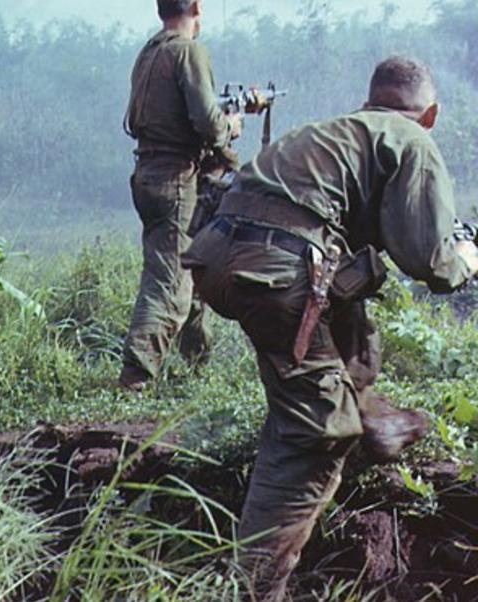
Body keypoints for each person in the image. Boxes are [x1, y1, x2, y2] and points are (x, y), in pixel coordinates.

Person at [183, 55, 478, 599]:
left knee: (348, 335)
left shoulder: (331, 133)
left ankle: (373, 416)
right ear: (430, 114)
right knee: (314, 434)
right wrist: (468, 255)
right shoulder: (413, 140)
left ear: (370, 101)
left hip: (217, 256)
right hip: (276, 271)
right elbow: (432, 263)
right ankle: (253, 587)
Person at [118, 0, 243, 392]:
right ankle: (136, 377)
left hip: (151, 174)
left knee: (190, 265)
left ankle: (196, 365)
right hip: (174, 180)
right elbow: (208, 122)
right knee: (170, 283)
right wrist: (231, 127)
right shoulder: (189, 52)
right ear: (196, 6)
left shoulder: (150, 52)